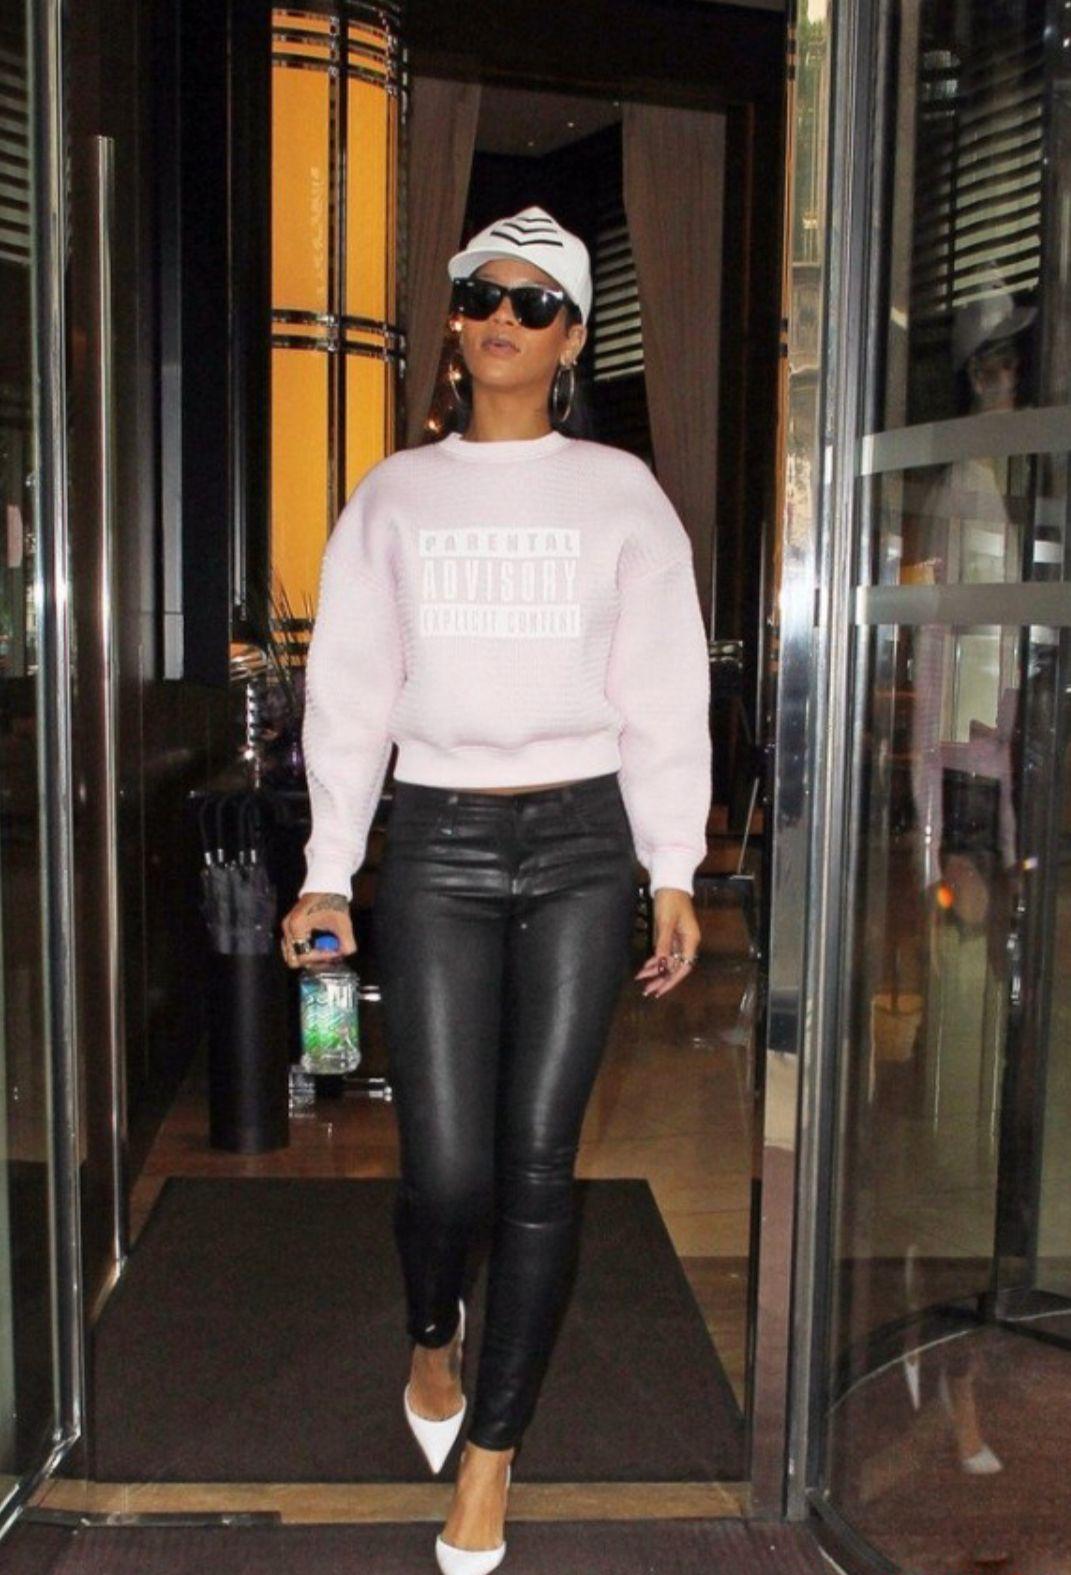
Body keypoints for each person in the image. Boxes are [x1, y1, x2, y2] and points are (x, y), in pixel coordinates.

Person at [281, 203, 712, 1573]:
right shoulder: (395, 498)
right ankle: (432, 1333)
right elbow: (351, 693)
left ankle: (492, 1458)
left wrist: (673, 866)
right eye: (482, 297)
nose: (503, 321)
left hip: (583, 844)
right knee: (446, 1166)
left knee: (535, 1162)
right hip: (440, 844)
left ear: (573, 336)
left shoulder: (622, 496)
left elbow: (665, 693)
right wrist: (327, 871)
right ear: (457, 324)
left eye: (535, 303)